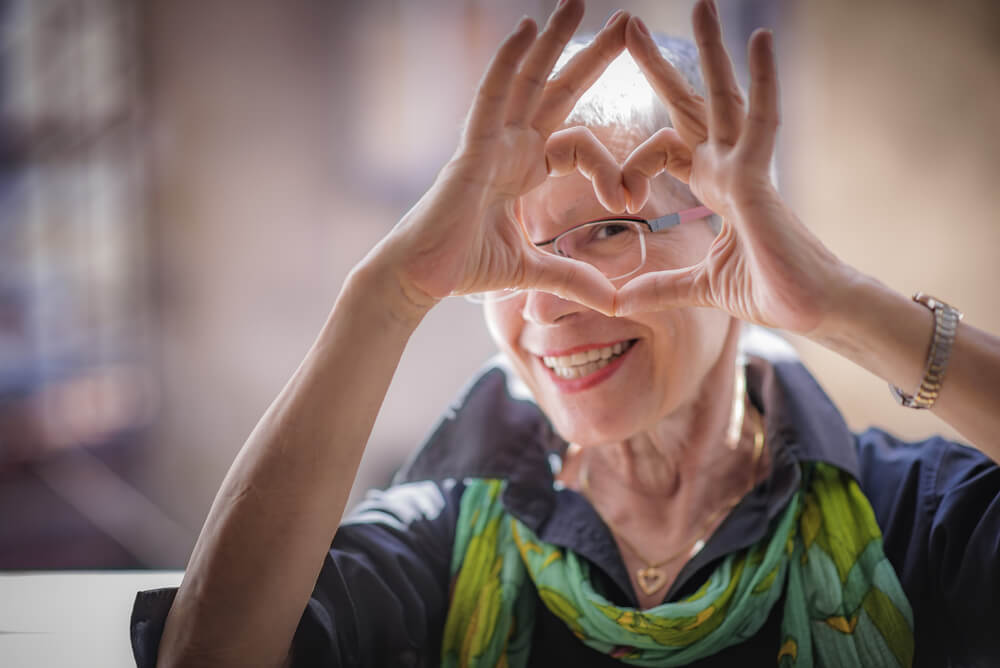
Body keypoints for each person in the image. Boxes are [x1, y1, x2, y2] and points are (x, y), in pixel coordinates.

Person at [130, 1, 1000, 666]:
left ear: (733, 233)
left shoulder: (910, 518)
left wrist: (845, 305)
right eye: (511, 253)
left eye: (611, 230)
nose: (544, 304)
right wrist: (384, 296)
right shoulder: (444, 534)